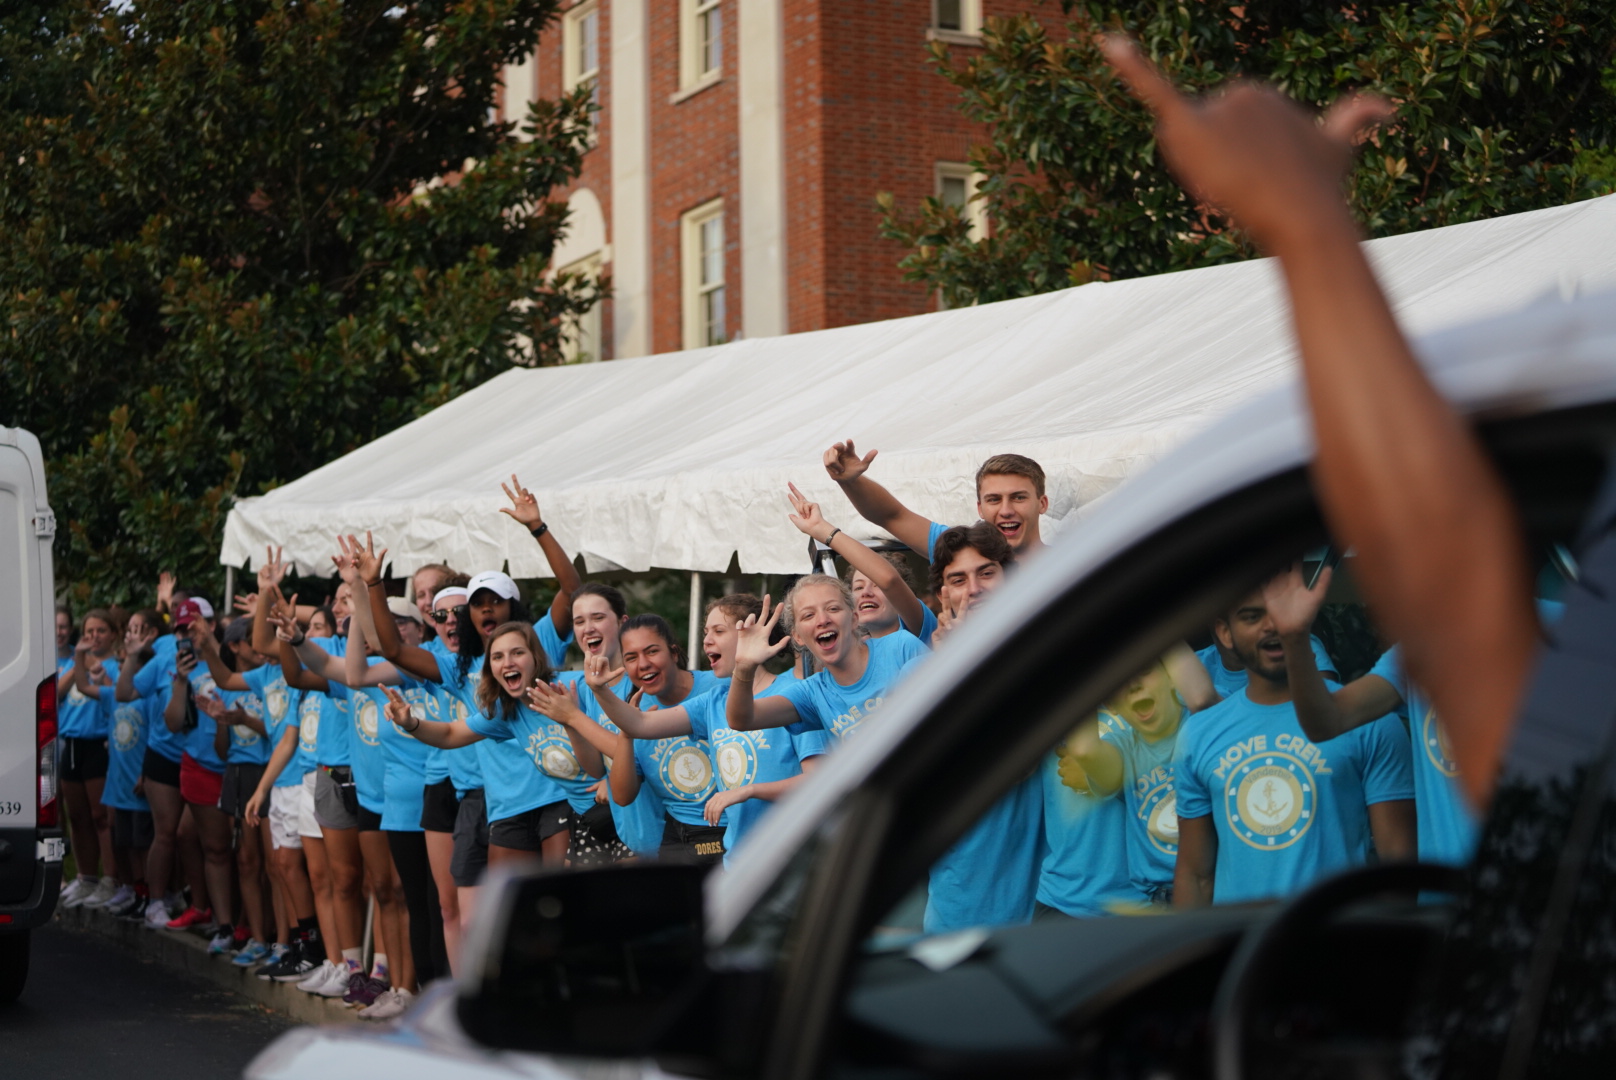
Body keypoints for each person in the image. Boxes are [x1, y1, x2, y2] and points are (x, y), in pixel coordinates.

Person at [1099, 37, 1539, 809]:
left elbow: (1443, 529)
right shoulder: (1433, 647)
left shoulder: (1551, 638)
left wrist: (1306, 225)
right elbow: (1328, 717)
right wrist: (1299, 638)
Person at [1173, 586, 1416, 907]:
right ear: (1224, 633)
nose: (1271, 626)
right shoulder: (1198, 734)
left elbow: (1397, 867)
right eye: (1251, 617)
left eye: (1282, 611)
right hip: (1241, 948)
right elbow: (1195, 874)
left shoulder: (1371, 723)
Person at [544, 593, 829, 865]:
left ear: (749, 633)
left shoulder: (794, 693)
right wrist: (599, 691)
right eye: (706, 632)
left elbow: (821, 782)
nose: (706, 640)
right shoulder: (714, 702)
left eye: (718, 631)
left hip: (789, 850)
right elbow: (640, 724)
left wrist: (747, 791)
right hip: (735, 854)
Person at [726, 576, 925, 742]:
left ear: (854, 618)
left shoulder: (901, 647)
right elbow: (742, 720)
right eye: (808, 615)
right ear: (797, 637)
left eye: (833, 609)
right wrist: (744, 667)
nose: (823, 620)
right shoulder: (812, 693)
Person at [825, 444, 1050, 561]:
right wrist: (851, 481)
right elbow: (892, 516)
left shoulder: (1072, 569)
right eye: (994, 500)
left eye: (1018, 497)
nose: (1006, 510)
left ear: (1042, 503)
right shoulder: (960, 552)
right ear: (980, 508)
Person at [785, 483, 937, 645]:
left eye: (877, 585)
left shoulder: (920, 633)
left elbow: (889, 580)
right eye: (858, 587)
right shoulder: (846, 655)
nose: (866, 593)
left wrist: (823, 530)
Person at [58, 610, 120, 909]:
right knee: (77, 816)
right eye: (89, 631)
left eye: (101, 631)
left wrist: (93, 662)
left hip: (98, 743)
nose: (94, 637)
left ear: (112, 634)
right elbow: (57, 693)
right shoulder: (73, 663)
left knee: (101, 817)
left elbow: (112, 692)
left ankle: (110, 878)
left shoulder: (116, 665)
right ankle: (85, 878)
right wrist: (78, 662)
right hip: (71, 743)